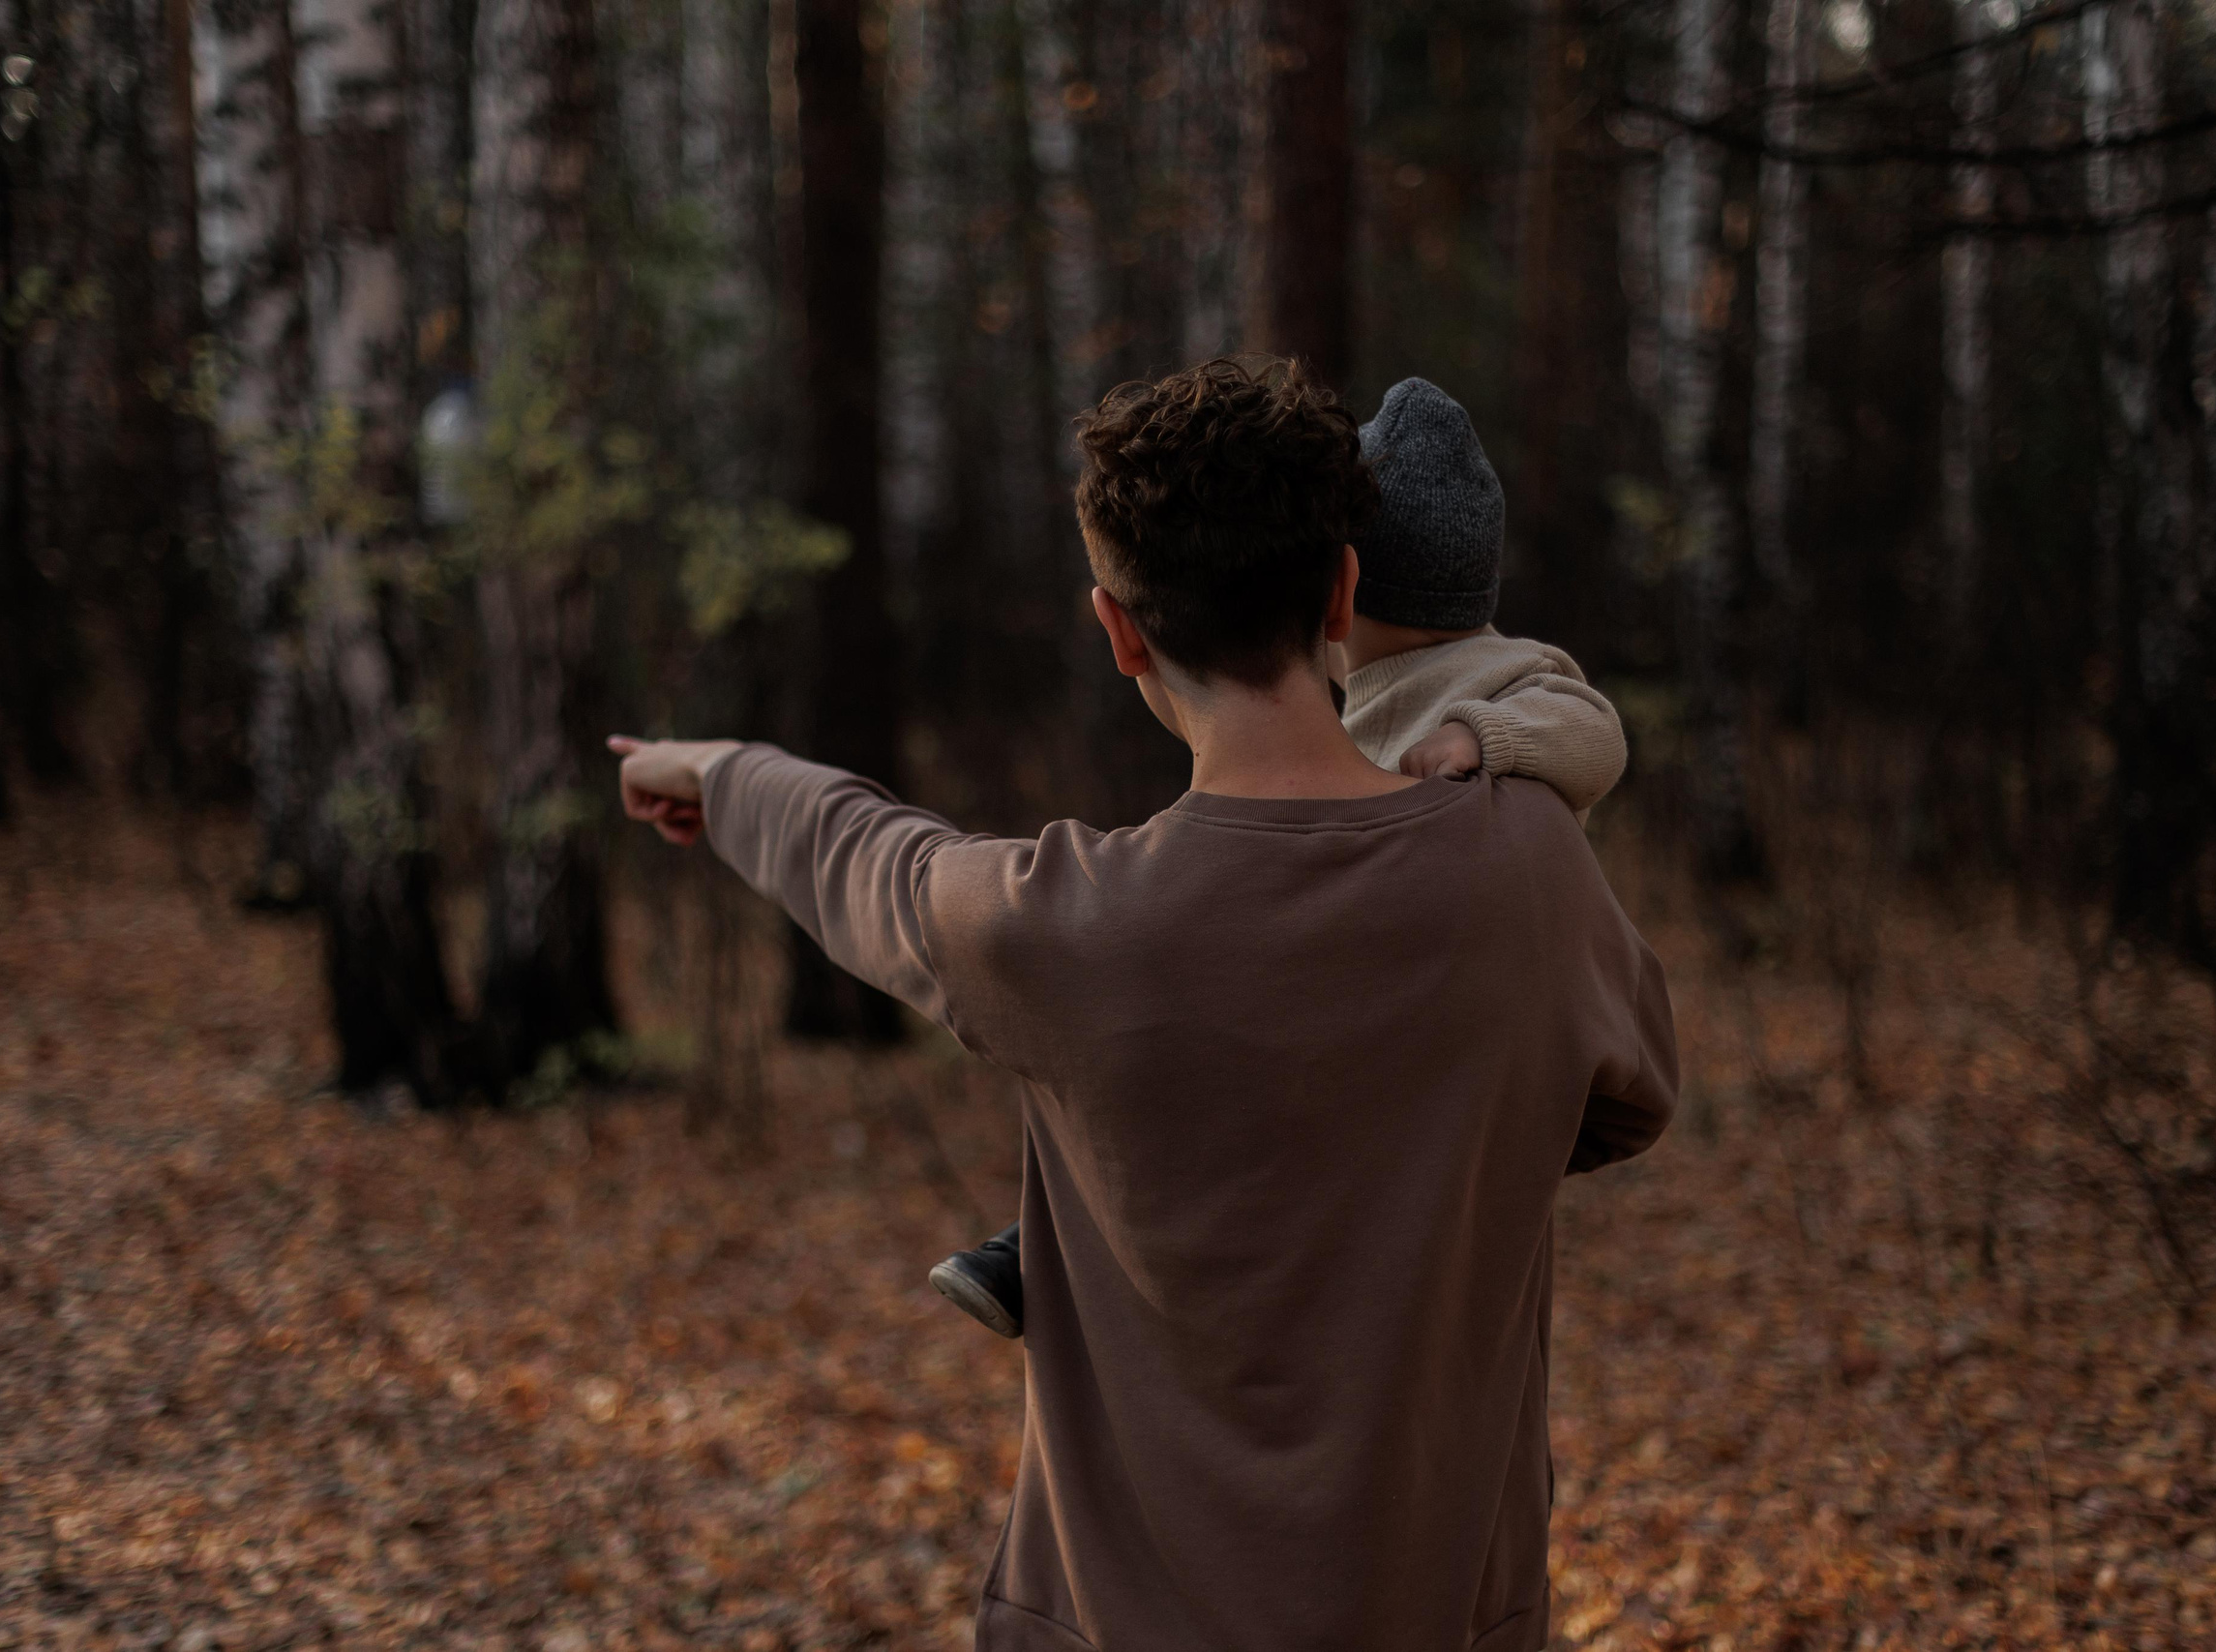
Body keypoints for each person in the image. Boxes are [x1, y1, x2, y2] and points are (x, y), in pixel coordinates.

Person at [611, 356, 1678, 1651]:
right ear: (1341, 592)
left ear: (1118, 629)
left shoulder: (1063, 926)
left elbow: (861, 855)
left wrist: (723, 770)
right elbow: (1625, 1102)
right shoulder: (1527, 868)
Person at [928, 374, 1632, 1338]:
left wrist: (1483, 738)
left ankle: (1043, 1251)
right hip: (1386, 981)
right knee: (1211, 1108)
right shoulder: (1368, 692)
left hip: (1432, 987)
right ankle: (1038, 1245)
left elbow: (1595, 733)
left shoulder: (1501, 676)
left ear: (1342, 591)